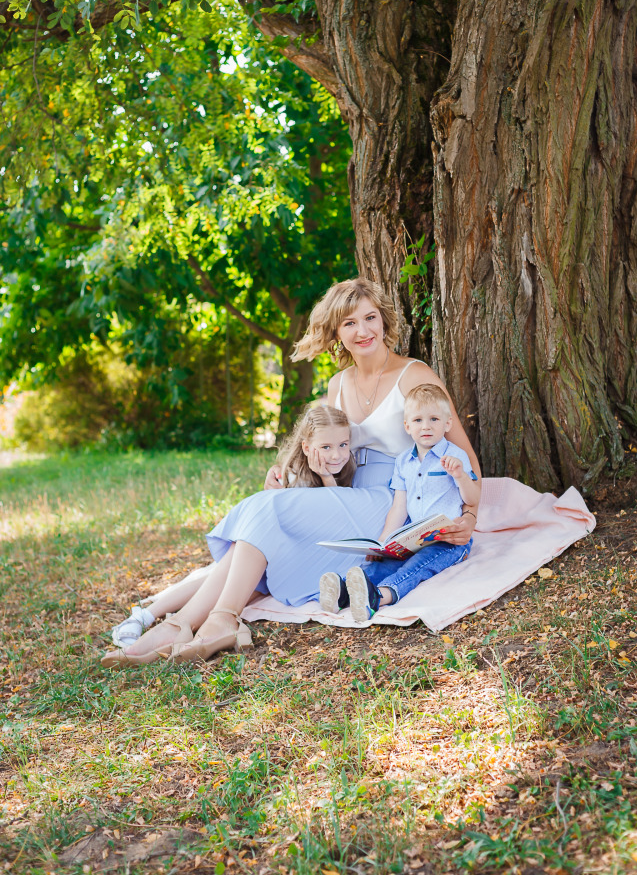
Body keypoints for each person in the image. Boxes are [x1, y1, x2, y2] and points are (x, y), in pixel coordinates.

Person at [102, 277, 481, 665]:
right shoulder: (337, 385)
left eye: (370, 318)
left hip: (392, 503)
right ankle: (185, 624)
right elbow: (324, 446)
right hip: (350, 496)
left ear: (384, 320)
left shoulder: (414, 376)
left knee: (265, 512)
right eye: (349, 323)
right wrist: (290, 472)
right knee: (265, 531)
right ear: (336, 332)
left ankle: (207, 621)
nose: (363, 331)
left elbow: (467, 459)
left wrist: (468, 517)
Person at [102, 404, 355, 667]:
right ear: (306, 448)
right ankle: (171, 624)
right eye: (325, 447)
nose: (336, 454)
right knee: (234, 567)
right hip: (278, 553)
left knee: (230, 572)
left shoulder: (346, 470)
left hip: (295, 558)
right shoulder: (292, 473)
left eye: (343, 445)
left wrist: (326, 476)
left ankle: (177, 626)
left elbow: (335, 508)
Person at [319, 383, 481, 622]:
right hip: (414, 537)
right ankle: (343, 592)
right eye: (417, 420)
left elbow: (472, 498)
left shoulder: (455, 457)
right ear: (407, 426)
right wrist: (383, 542)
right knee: (383, 563)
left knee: (416, 567)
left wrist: (460, 476)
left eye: (434, 419)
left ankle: (379, 597)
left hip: (447, 540)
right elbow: (399, 506)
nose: (425, 426)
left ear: (447, 424)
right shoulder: (404, 461)